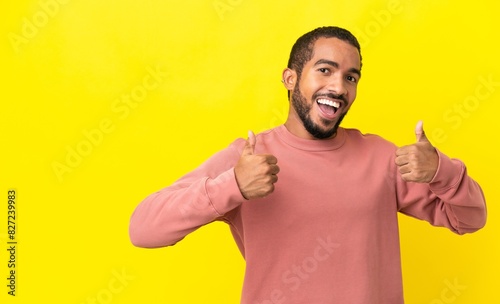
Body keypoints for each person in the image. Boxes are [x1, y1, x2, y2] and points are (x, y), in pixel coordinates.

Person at [129, 26, 487, 303]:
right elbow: (143, 230)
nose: (339, 86)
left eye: (351, 77)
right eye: (325, 70)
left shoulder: (381, 156)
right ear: (290, 78)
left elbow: (470, 219)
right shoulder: (248, 160)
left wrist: (443, 170)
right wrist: (232, 186)